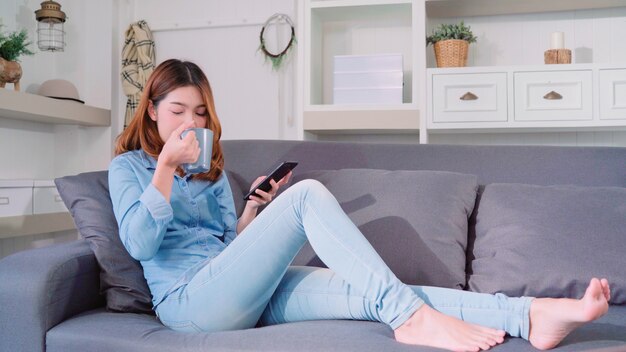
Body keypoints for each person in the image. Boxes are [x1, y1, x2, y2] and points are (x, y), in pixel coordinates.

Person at [109, 59, 611, 352]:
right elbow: (139, 242)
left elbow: (228, 248)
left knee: (378, 289)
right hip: (188, 304)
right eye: (177, 111)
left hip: (240, 293)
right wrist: (166, 169)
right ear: (151, 112)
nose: (190, 121)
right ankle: (411, 320)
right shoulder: (129, 169)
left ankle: (532, 315)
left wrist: (253, 215)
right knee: (308, 199)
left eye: (200, 112)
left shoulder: (214, 170)